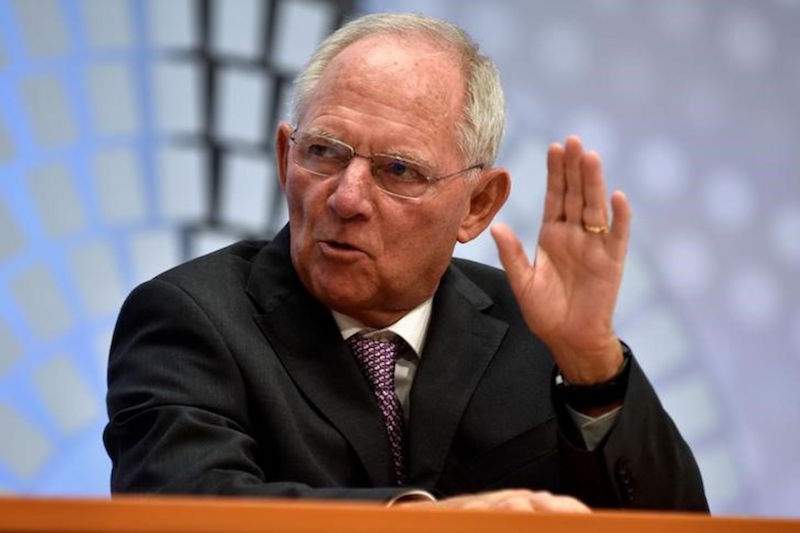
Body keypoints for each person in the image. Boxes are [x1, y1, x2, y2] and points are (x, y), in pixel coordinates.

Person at [104, 12, 707, 512]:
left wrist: (592, 364)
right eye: (324, 153)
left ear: (478, 205)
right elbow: (187, 507)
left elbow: (682, 527)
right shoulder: (189, 319)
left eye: (398, 171)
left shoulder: (535, 331)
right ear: (287, 157)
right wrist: (426, 522)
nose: (346, 198)